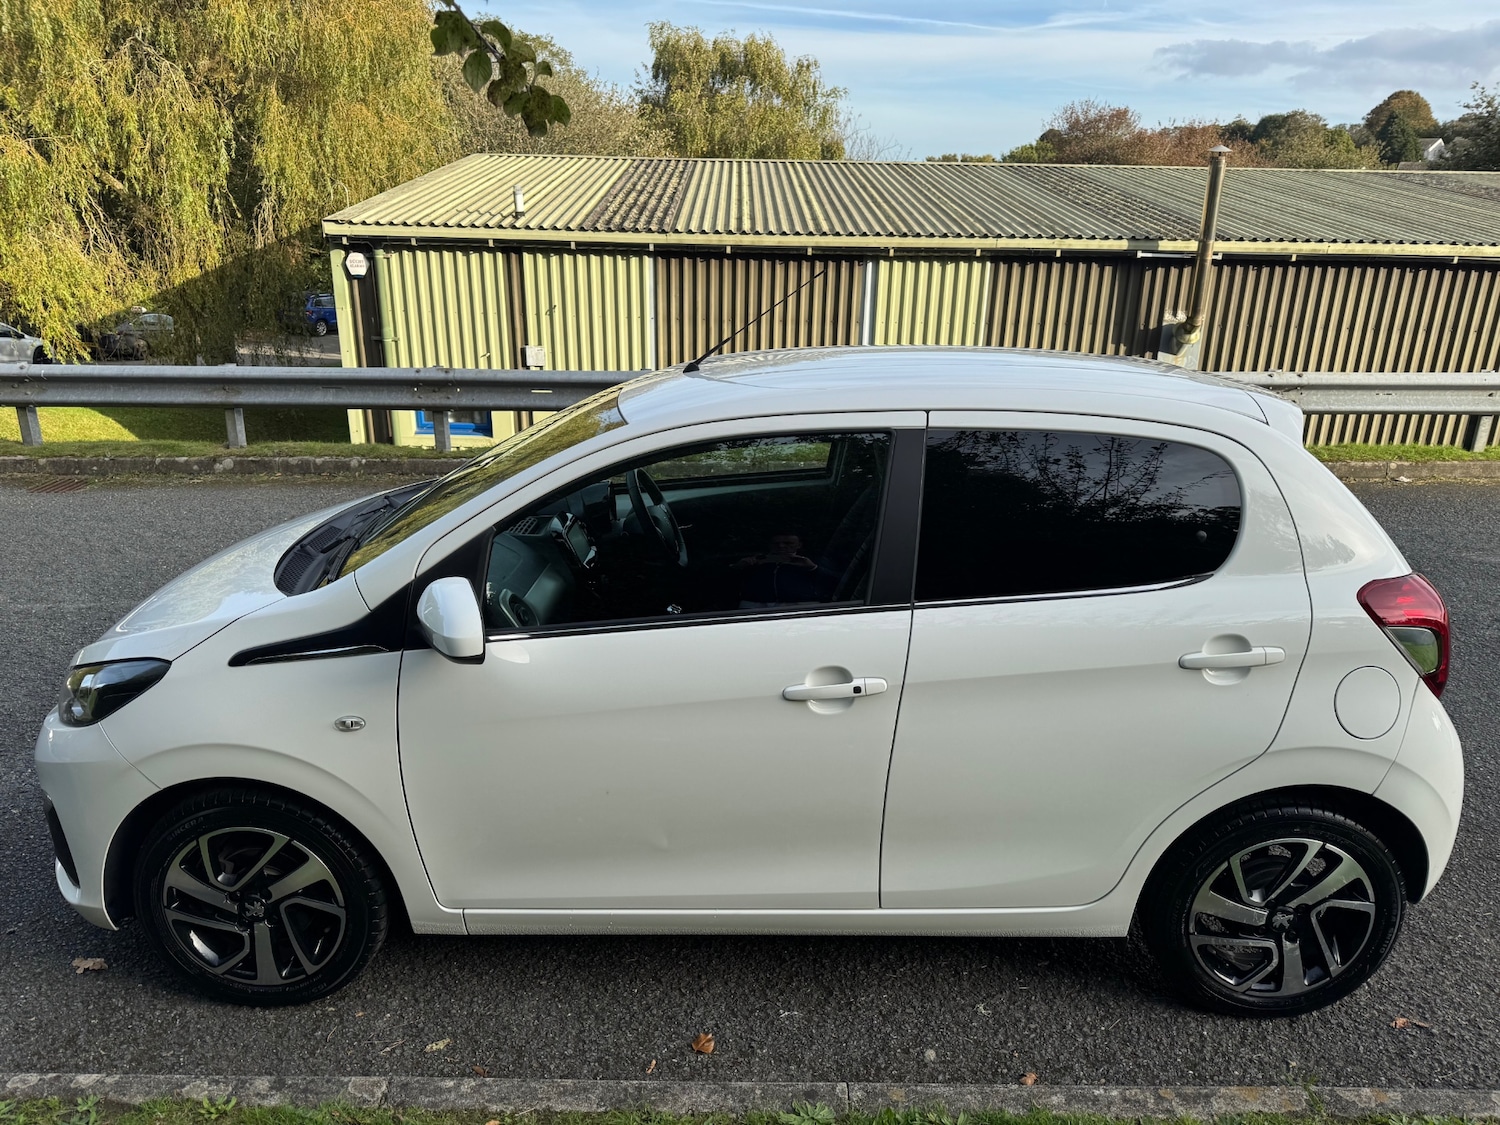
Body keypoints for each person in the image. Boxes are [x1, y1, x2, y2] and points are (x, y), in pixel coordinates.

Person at [732, 532, 836, 609]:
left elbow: (835, 582)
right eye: (776, 543)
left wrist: (813, 568)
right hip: (757, 606)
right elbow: (729, 584)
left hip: (801, 606)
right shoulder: (754, 561)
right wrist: (738, 567)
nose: (781, 546)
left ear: (799, 545)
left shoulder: (813, 560)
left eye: (788, 543)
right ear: (769, 545)